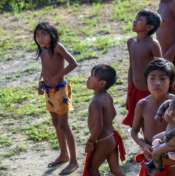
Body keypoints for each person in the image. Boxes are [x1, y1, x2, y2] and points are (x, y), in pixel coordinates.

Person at [34, 22, 79, 175]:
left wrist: (60, 75)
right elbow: (44, 68)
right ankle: (63, 154)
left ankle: (74, 161)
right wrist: (41, 82)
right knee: (55, 123)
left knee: (64, 125)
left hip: (60, 91)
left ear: (52, 35)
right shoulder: (42, 49)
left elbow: (73, 63)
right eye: (38, 35)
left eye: (44, 34)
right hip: (48, 91)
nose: (40, 38)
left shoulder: (57, 47)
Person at [131, 58, 175, 176]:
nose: (157, 82)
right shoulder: (142, 104)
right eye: (152, 78)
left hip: (174, 161)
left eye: (162, 78)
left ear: (171, 82)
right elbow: (134, 131)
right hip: (152, 162)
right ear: (146, 81)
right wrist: (143, 145)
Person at [83, 64, 125, 176]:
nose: (88, 78)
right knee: (116, 169)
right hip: (111, 136)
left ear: (101, 83)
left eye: (92, 76)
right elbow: (114, 113)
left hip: (103, 140)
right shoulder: (107, 96)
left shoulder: (96, 102)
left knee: (92, 169)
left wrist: (90, 141)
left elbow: (98, 127)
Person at [123, 10, 162, 127]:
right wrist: (129, 91)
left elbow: (161, 68)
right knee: (136, 122)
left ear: (149, 27)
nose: (135, 21)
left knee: (149, 122)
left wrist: (158, 92)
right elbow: (132, 67)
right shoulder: (131, 42)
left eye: (140, 20)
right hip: (134, 88)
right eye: (136, 18)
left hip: (149, 91)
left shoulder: (153, 44)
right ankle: (143, 144)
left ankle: (149, 144)